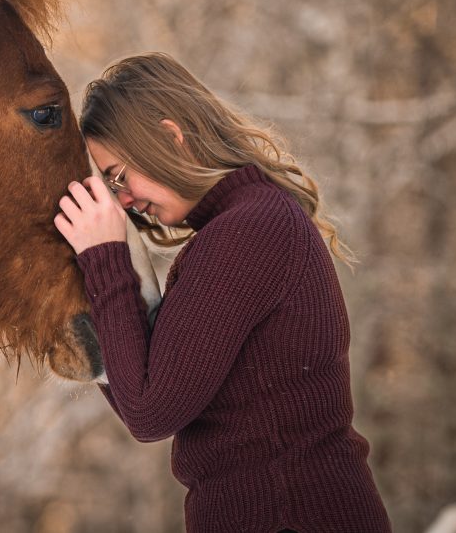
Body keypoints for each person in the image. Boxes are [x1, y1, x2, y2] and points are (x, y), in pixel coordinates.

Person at [54, 53, 391, 533]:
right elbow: (141, 398)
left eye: (119, 177)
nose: (124, 201)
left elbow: (150, 413)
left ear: (171, 137)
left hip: (290, 516)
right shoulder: (245, 225)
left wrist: (107, 257)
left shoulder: (249, 231)